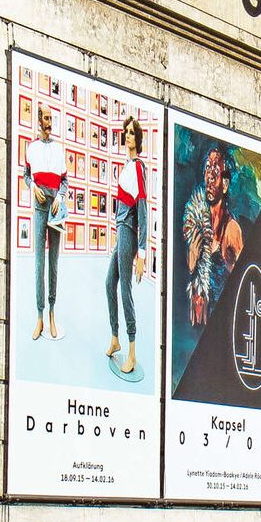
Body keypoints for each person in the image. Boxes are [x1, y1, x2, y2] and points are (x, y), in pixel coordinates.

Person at [183, 144, 244, 326]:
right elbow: (191, 268)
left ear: (225, 184)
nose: (209, 176)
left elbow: (244, 285)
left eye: (215, 170)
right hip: (197, 333)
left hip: (222, 331)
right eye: (207, 168)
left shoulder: (231, 231)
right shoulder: (196, 223)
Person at [106, 114, 147, 374]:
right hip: (122, 228)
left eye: (132, 132)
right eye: (126, 132)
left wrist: (141, 253)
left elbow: (143, 210)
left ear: (138, 138)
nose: (128, 136)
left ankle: (131, 351)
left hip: (129, 230)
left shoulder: (138, 167)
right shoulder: (126, 165)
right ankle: (115, 337)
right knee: (110, 282)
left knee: (125, 290)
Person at [24, 105, 67, 341]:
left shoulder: (59, 150)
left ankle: (52, 312)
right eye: (46, 118)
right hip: (40, 205)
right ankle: (39, 316)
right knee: (39, 261)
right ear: (39, 120)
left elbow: (65, 180)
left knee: (54, 263)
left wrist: (59, 196)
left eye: (52, 118)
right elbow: (26, 175)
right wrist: (33, 188)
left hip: (55, 207)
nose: (49, 122)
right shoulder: (32, 148)